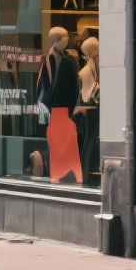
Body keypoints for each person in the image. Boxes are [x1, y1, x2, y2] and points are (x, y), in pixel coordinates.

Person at [36, 27, 83, 184]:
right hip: (56, 109)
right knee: (59, 141)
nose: (67, 39)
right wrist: (46, 106)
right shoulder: (50, 59)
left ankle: (71, 172)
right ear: (56, 39)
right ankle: (57, 173)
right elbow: (45, 85)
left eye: (66, 37)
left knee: (68, 140)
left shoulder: (68, 58)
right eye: (63, 37)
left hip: (66, 109)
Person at [73, 37, 101, 187]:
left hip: (94, 109)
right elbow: (86, 93)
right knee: (91, 140)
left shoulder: (93, 67)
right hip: (92, 109)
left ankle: (88, 172)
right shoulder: (86, 71)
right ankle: (86, 174)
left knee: (92, 140)